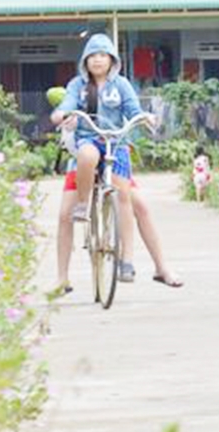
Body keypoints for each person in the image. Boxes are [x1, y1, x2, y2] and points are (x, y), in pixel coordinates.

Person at [49, 33, 152, 284]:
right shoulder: (77, 85)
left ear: (112, 60)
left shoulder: (122, 85)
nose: (97, 60)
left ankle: (128, 261)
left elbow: (133, 110)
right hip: (88, 142)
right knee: (83, 162)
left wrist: (145, 118)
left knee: (127, 199)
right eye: (92, 56)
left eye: (102, 55)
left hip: (116, 145)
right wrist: (62, 115)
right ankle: (83, 206)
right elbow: (67, 105)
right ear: (85, 60)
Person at [53, 169, 183, 294]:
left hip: (113, 165)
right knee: (65, 215)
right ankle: (62, 278)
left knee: (141, 208)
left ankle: (161, 268)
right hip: (82, 166)